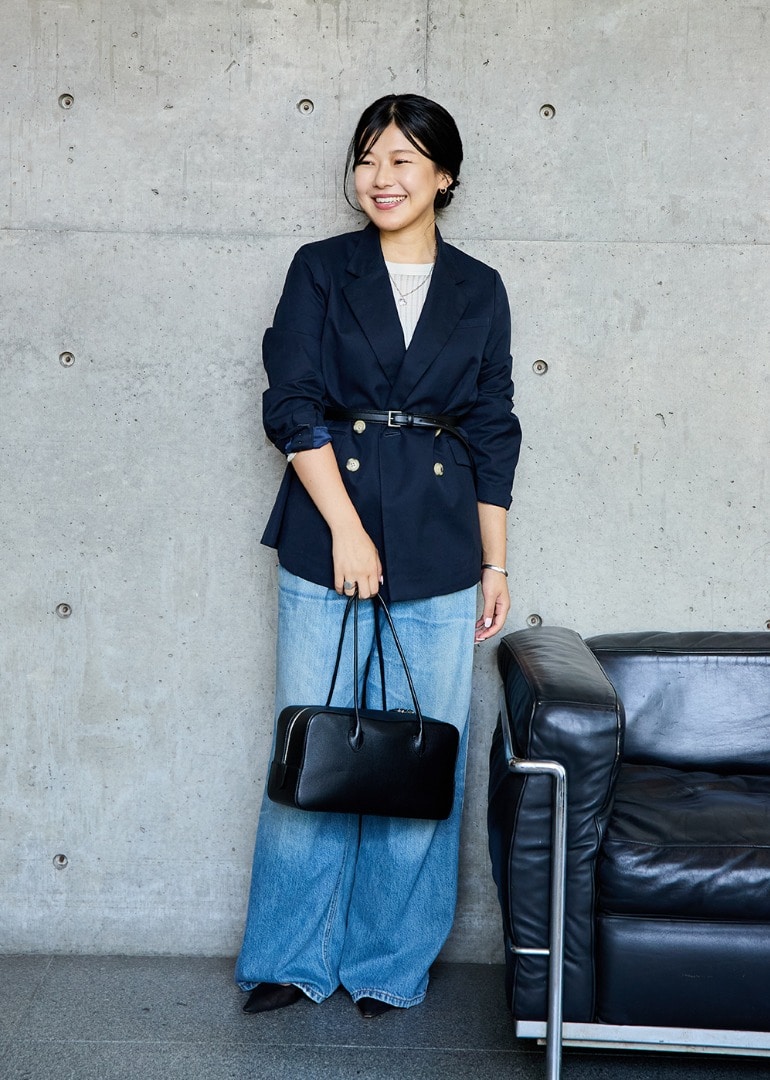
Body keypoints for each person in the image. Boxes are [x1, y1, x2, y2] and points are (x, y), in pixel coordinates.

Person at [235, 93, 521, 1019]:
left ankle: (388, 964)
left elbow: (492, 426)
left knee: (419, 757)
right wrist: (348, 529)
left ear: (444, 174)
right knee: (312, 745)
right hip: (327, 536)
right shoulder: (321, 269)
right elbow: (291, 402)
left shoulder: (479, 288)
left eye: (402, 160)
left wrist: (495, 564)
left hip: (440, 543)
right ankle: (289, 958)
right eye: (367, 159)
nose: (380, 177)